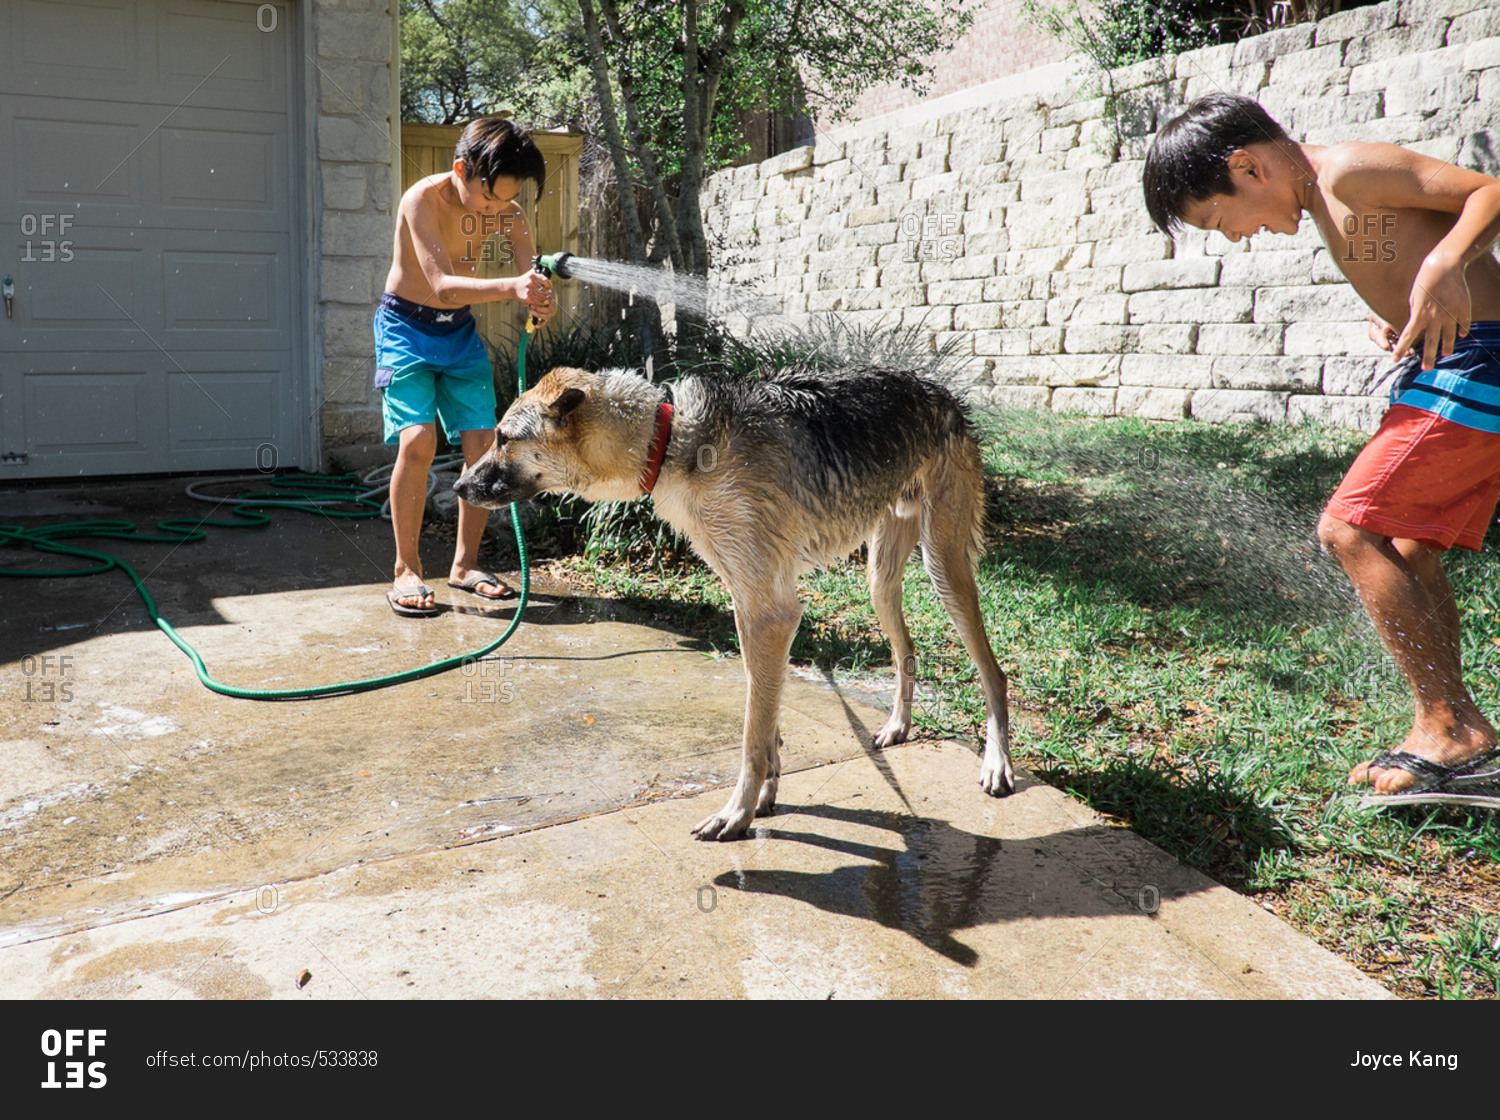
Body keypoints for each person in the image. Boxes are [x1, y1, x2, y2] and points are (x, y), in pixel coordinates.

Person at [1143, 93, 1500, 808]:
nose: (1236, 237)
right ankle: (1461, 731)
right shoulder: (1336, 207)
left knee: (1348, 526)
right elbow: (1388, 250)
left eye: (1220, 220)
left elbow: (1490, 191)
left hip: (1482, 360)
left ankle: (1447, 727)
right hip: (1448, 358)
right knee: (1405, 542)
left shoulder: (1347, 172)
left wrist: (1447, 266)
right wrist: (1395, 308)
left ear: (1247, 167)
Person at [376, 116, 555, 617]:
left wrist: (540, 296)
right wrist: (512, 288)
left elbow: (530, 270)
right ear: (462, 169)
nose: (498, 210)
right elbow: (441, 285)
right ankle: (406, 568)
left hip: (458, 334)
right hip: (405, 329)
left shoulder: (506, 210)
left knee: (483, 445)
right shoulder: (422, 201)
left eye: (507, 200)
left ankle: (464, 564)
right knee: (418, 441)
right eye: (491, 199)